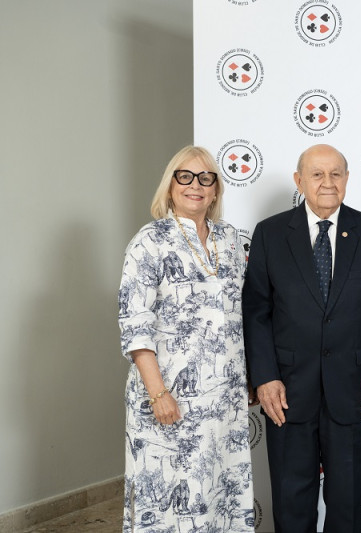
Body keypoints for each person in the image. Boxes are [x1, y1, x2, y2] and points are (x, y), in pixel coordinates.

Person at [243, 144, 361, 533]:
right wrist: (264, 377)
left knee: (346, 504)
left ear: (347, 179)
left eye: (336, 174)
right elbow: (256, 313)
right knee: (291, 498)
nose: (327, 182)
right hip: (287, 391)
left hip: (353, 388)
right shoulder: (270, 233)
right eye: (317, 174)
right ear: (299, 181)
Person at [118, 146, 254, 532]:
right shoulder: (149, 240)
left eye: (205, 178)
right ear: (171, 185)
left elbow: (241, 314)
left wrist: (248, 376)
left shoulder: (230, 239)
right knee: (170, 495)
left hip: (224, 399)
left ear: (215, 190)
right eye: (185, 176)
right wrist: (158, 393)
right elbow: (135, 322)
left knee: (220, 490)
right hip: (168, 397)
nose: (196, 185)